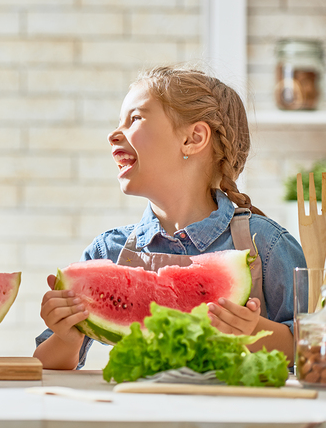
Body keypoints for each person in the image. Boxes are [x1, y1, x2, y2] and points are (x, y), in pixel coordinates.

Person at [34, 65, 306, 370]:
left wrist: (255, 333)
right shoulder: (109, 252)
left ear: (193, 138)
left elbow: (316, 346)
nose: (113, 134)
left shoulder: (265, 246)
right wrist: (66, 336)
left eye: (134, 118)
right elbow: (45, 365)